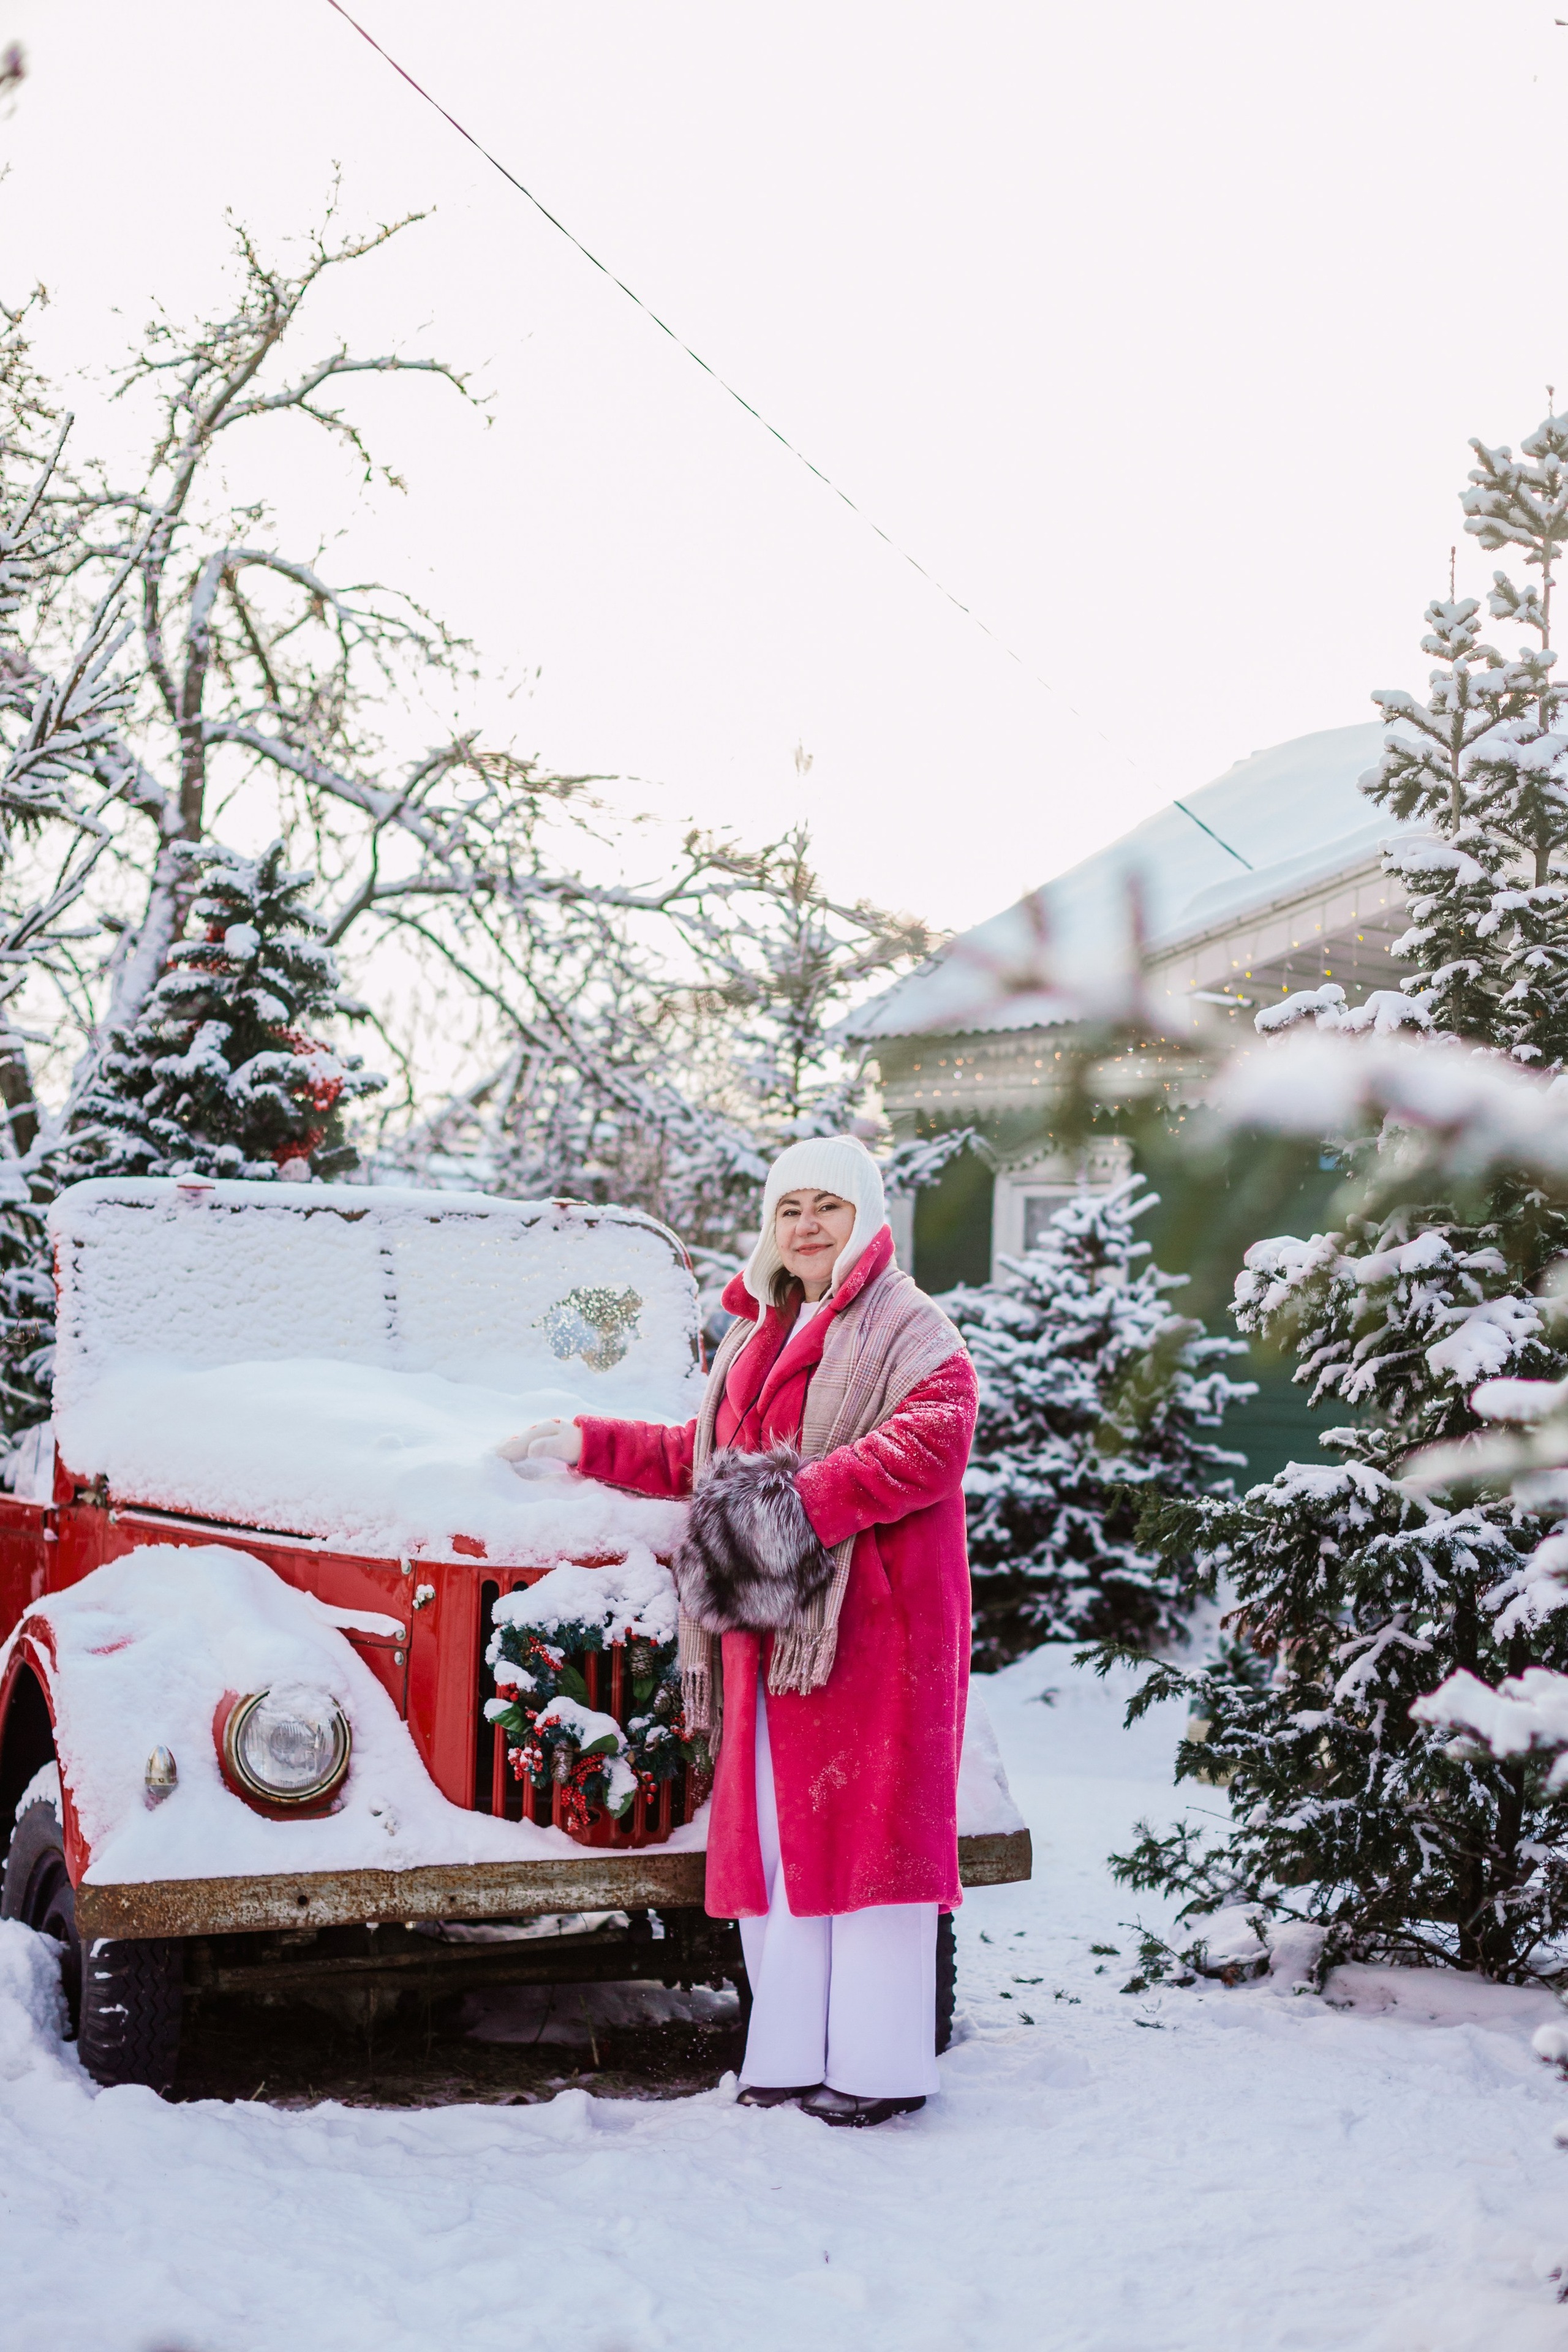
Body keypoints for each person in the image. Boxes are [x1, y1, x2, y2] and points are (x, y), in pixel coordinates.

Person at [503, 1135, 977, 2127]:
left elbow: (929, 1442)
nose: (806, 1226)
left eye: (828, 1208)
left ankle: (882, 2065)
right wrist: (588, 1441)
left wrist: (786, 1507)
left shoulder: (909, 1325)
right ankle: (793, 2048)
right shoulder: (758, 1332)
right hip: (768, 1628)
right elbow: (707, 1455)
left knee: (866, 1845)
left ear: (866, 1217)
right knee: (778, 1845)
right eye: (790, 1209)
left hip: (869, 1629)